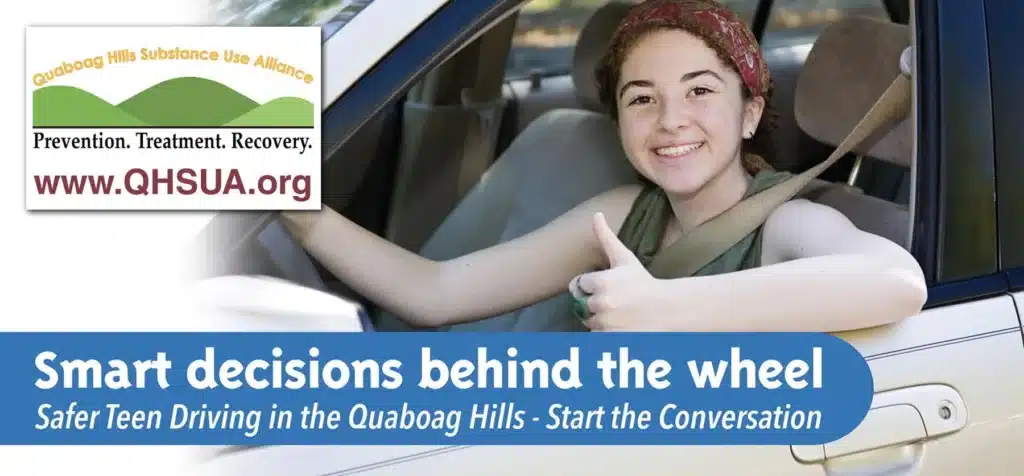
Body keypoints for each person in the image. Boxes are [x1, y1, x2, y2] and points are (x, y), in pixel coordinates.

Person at [281, 0, 927, 332]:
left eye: (701, 91)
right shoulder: (620, 215)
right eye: (641, 99)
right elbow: (437, 293)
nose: (670, 119)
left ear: (750, 112)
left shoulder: (787, 225)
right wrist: (296, 208)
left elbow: (898, 282)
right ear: (618, 120)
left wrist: (666, 307)